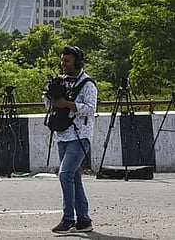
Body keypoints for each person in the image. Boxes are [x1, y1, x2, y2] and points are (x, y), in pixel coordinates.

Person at [46, 45, 97, 234]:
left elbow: (91, 109)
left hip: (80, 136)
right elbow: (50, 106)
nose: (63, 64)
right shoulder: (62, 81)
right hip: (62, 135)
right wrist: (51, 95)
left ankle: (68, 219)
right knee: (74, 177)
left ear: (77, 62)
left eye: (67, 61)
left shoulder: (88, 84)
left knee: (65, 174)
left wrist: (67, 104)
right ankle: (84, 220)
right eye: (62, 60)